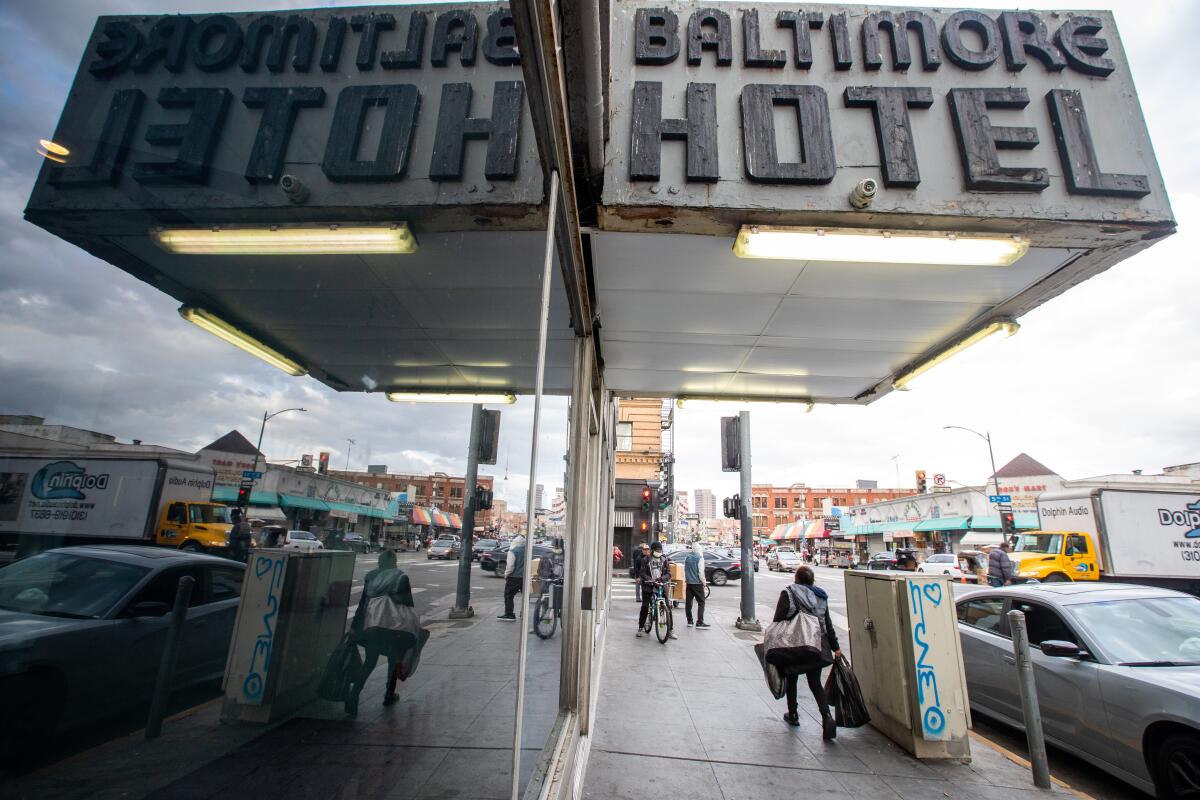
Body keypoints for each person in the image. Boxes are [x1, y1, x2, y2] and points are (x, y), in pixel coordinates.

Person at [346, 549, 421, 715]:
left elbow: (363, 603)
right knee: (394, 660)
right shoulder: (401, 577)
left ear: (379, 562)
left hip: (373, 625)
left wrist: (355, 626)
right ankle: (389, 694)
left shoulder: (371, 576)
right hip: (395, 627)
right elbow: (408, 601)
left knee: (370, 662)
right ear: (394, 562)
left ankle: (354, 695)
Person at [773, 565, 841, 738]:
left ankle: (793, 713)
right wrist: (836, 648)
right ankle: (826, 717)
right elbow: (828, 624)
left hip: (795, 643)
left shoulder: (788, 593)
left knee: (792, 678)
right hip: (816, 645)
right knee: (815, 683)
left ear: (796, 579)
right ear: (812, 580)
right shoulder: (821, 596)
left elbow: (779, 618)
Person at [636, 542, 676, 639]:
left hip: (661, 585)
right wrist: (650, 580)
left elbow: (669, 574)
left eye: (660, 550)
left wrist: (662, 579)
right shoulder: (645, 560)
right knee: (645, 606)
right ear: (652, 550)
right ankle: (640, 628)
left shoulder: (664, 560)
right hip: (648, 586)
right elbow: (642, 573)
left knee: (667, 606)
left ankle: (670, 630)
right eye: (657, 550)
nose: (658, 552)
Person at [498, 534, 526, 621]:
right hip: (524, 577)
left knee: (508, 595)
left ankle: (509, 614)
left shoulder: (513, 551)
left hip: (514, 577)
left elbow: (510, 566)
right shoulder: (526, 551)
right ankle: (524, 613)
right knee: (525, 597)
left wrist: (506, 575)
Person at [683, 542, 709, 629]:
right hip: (697, 584)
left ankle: (689, 621)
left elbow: (685, 570)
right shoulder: (700, 558)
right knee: (701, 602)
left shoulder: (687, 557)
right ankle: (700, 622)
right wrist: (704, 583)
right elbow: (701, 573)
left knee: (688, 603)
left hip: (689, 583)